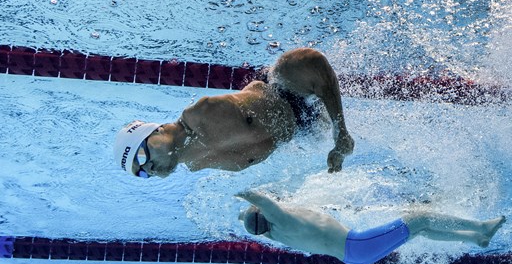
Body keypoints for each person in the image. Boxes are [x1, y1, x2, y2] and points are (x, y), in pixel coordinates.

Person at [113, 48, 354, 178]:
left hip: (286, 92)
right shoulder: (197, 164)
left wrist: (340, 131)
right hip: (303, 131)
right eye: (142, 174)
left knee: (298, 62)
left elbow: (312, 61)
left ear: (155, 131)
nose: (149, 170)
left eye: (142, 159)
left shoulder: (201, 113)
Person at [236, 190, 505, 264]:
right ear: (264, 215)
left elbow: (254, 218)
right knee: (420, 217)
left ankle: (473, 239)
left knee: (419, 229)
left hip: (354, 255)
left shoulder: (277, 233)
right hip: (357, 244)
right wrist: (242, 195)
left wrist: (242, 217)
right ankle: (481, 226)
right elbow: (260, 199)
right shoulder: (280, 219)